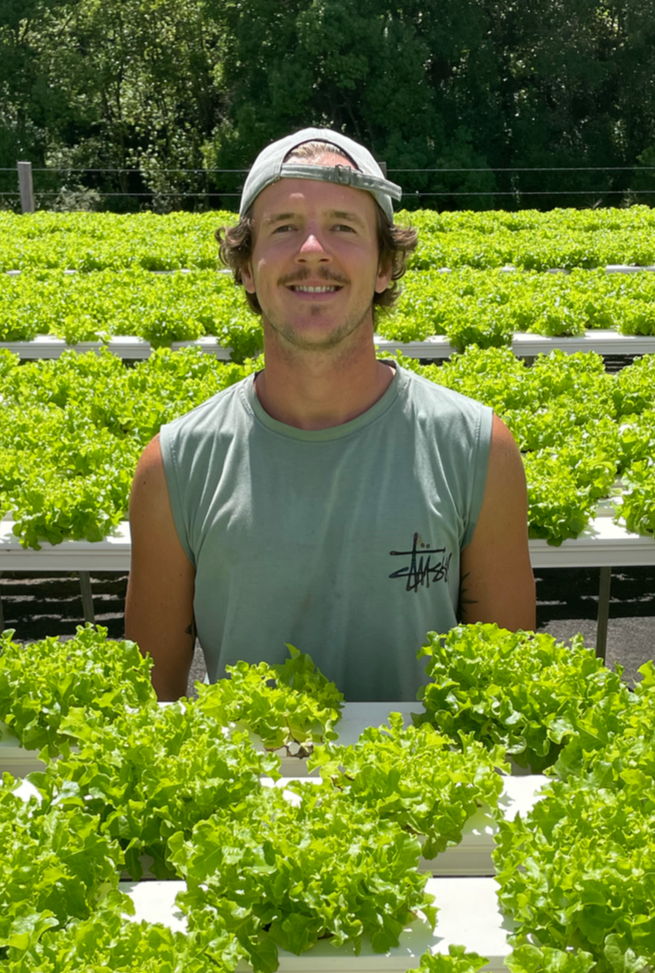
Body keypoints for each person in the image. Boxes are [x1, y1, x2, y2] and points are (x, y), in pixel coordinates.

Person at [125, 127, 536, 702]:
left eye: (343, 227)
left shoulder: (475, 448)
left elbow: (506, 690)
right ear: (246, 267)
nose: (312, 249)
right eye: (284, 228)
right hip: (254, 794)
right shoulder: (174, 466)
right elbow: (151, 700)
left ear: (386, 266)